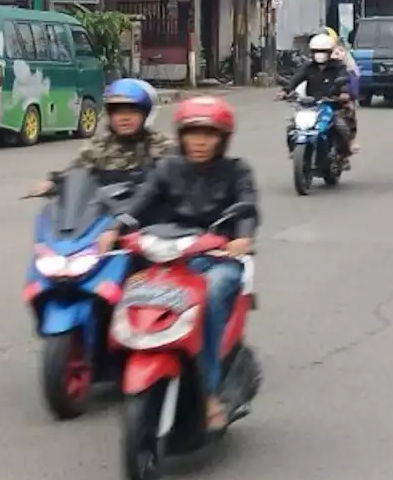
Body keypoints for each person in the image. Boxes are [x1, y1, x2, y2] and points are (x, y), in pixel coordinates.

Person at [102, 96, 258, 433]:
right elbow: (141, 201)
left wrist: (242, 238)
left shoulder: (236, 170)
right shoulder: (168, 167)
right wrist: (118, 228)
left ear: (223, 138)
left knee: (214, 292)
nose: (199, 141)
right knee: (123, 281)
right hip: (170, 252)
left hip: (217, 256)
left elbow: (246, 205)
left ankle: (209, 391)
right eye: (192, 133)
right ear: (181, 135)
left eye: (209, 134)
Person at [29, 78, 171, 196]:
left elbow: (179, 175)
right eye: (118, 113)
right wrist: (53, 183)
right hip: (103, 214)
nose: (125, 118)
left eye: (131, 112)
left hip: (146, 217)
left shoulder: (159, 145)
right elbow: (77, 170)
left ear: (145, 115)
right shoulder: (100, 146)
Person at [279, 34, 354, 163]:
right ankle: (294, 152)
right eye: (316, 51)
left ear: (330, 52)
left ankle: (343, 156)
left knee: (341, 128)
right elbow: (296, 79)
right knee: (292, 128)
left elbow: (344, 80)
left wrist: (343, 93)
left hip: (331, 104)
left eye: (323, 51)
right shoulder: (308, 67)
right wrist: (285, 91)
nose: (320, 54)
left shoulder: (338, 66)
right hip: (310, 105)